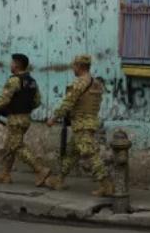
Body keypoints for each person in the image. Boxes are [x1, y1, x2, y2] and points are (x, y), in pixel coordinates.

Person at [44, 54, 114, 197]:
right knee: (71, 153)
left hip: (81, 123)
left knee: (90, 153)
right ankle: (59, 179)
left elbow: (68, 103)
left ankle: (106, 184)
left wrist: (54, 118)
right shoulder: (96, 83)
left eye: (74, 66)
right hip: (89, 121)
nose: (73, 69)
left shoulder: (79, 83)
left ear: (80, 66)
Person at [0, 53, 51, 187]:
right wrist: (25, 107)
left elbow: (4, 100)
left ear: (17, 65)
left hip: (15, 119)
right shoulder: (31, 81)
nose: (10, 65)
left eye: (12, 62)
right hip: (25, 118)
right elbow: (37, 101)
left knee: (17, 146)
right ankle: (5, 174)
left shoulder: (14, 80)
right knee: (9, 146)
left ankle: (40, 170)